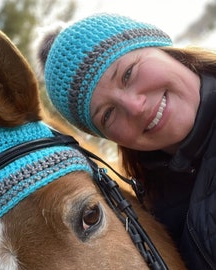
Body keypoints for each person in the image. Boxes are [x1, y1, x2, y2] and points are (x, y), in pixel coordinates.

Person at [37, 13, 216, 270]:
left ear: (159, 46)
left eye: (128, 73)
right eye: (107, 114)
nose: (135, 107)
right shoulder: (149, 220)